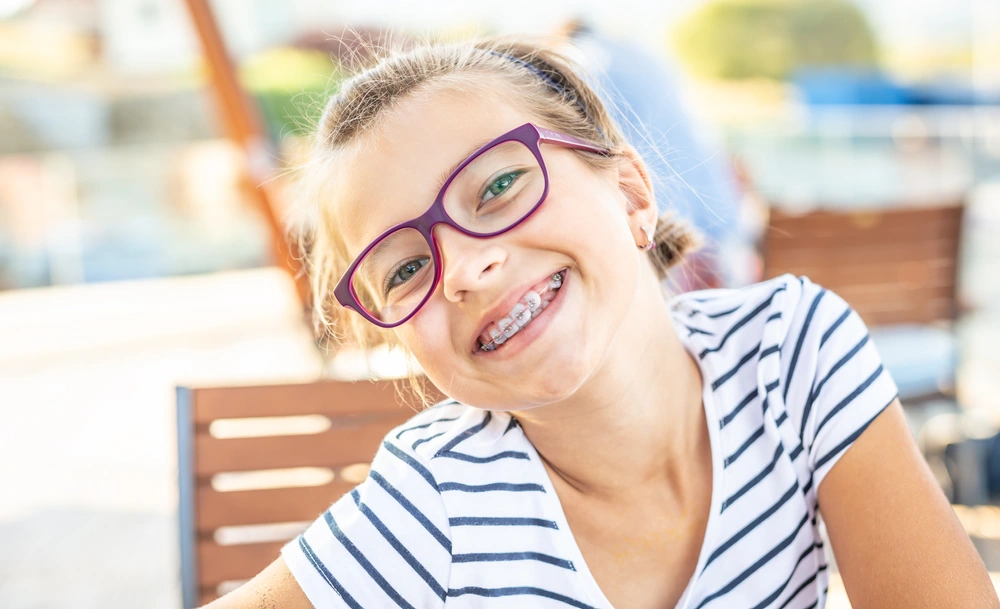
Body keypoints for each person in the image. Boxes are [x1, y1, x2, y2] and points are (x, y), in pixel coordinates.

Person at [207, 36, 998, 609]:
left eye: (499, 186)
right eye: (407, 268)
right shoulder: (437, 502)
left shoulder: (791, 353)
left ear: (631, 194)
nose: (463, 269)